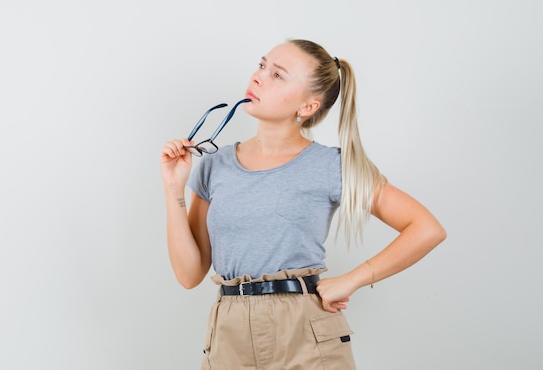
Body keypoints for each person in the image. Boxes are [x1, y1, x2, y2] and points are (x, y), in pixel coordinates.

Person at [159, 38, 446, 370]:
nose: (258, 76)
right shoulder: (215, 164)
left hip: (305, 333)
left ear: (307, 107)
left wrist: (352, 279)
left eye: (278, 75)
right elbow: (189, 274)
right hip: (228, 334)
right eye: (262, 65)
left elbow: (426, 228)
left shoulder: (330, 165)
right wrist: (173, 188)